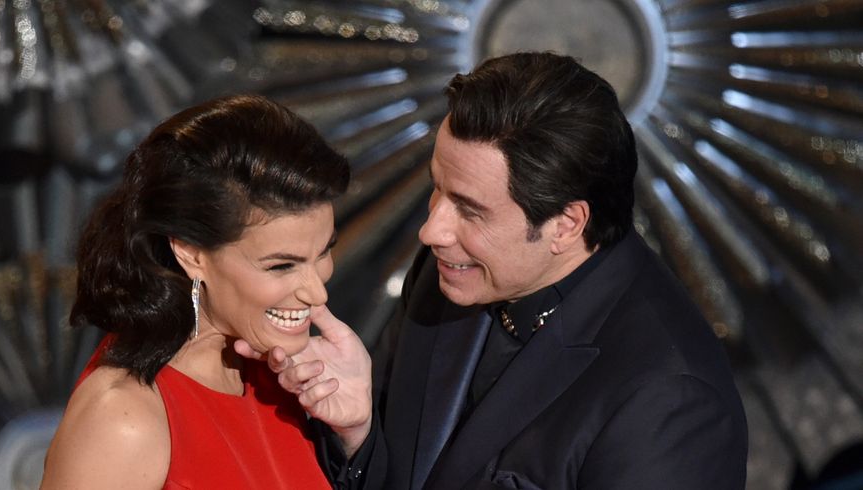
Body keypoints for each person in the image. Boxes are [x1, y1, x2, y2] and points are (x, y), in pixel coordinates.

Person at [237, 51, 749, 489]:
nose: (432, 230)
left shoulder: (671, 401)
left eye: (469, 209)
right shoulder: (450, 273)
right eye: (438, 188)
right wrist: (357, 435)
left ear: (566, 224)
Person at [40, 94, 350, 489]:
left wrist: (354, 432)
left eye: (323, 252)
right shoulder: (124, 419)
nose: (316, 292)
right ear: (190, 252)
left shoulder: (274, 374)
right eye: (281, 265)